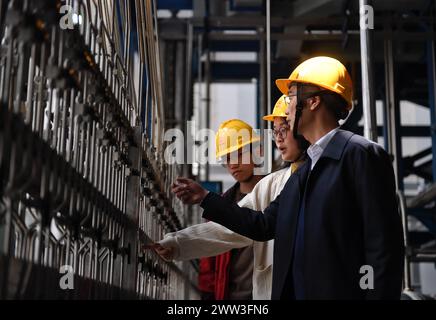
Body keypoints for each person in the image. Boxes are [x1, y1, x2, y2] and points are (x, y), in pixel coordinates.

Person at [171, 56, 405, 300]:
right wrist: (206, 198)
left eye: (291, 97)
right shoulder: (303, 174)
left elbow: (384, 249)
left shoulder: (360, 155)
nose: (287, 107)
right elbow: (262, 225)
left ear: (313, 102)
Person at [149, 96, 308, 299]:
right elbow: (226, 233)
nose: (233, 164)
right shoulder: (267, 187)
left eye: (239, 154)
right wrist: (177, 243)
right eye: (275, 131)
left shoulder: (313, 175)